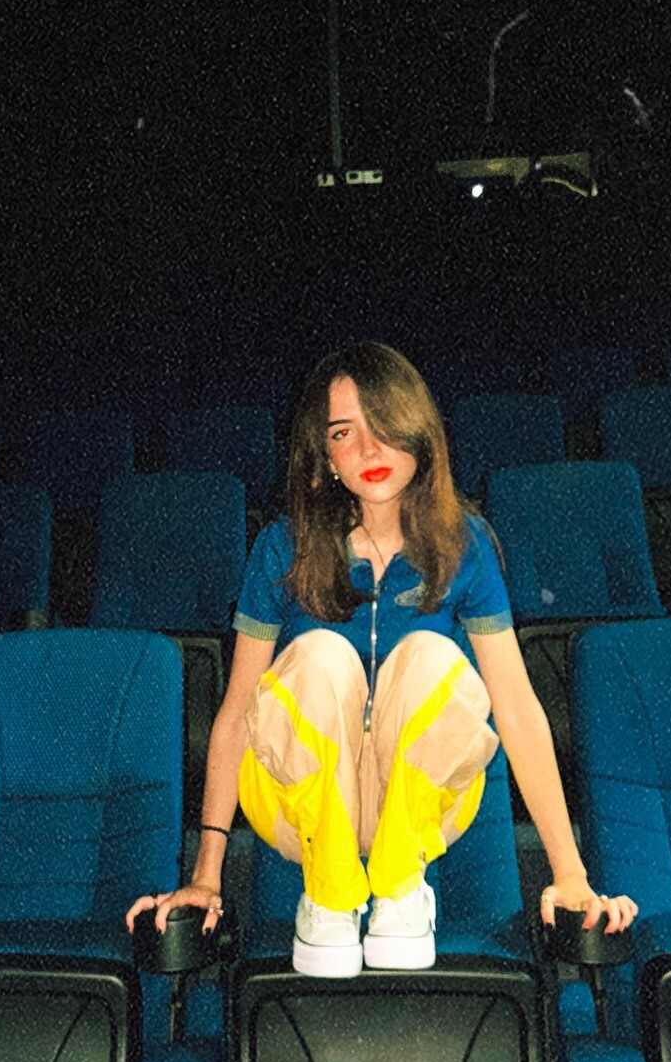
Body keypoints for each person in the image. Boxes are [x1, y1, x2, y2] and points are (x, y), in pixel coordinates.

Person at [126, 342, 637, 976]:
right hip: (302, 807)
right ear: (325, 457)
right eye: (344, 433)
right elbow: (235, 714)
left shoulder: (465, 544)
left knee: (431, 654)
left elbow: (516, 705)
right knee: (319, 655)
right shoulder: (283, 547)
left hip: (419, 806)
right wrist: (206, 877)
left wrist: (572, 875)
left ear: (419, 431)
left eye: (384, 426)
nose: (369, 450)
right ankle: (330, 898)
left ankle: (399, 892)